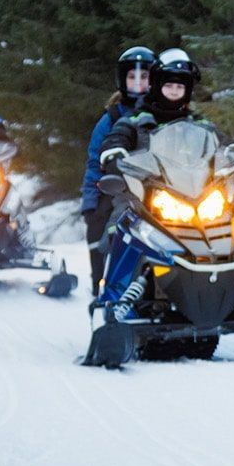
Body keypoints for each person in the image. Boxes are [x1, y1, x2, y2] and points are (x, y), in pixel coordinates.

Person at [82, 46, 155, 290]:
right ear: (123, 80)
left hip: (158, 186)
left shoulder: (161, 113)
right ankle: (102, 283)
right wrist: (90, 200)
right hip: (119, 187)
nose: (138, 82)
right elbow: (95, 161)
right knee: (100, 223)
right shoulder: (111, 118)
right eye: (132, 77)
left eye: (144, 76)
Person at [98, 48, 205, 168]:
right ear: (157, 86)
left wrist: (224, 153)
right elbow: (120, 133)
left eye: (180, 87)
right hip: (143, 177)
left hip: (188, 177)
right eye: (168, 86)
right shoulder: (138, 117)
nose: (174, 91)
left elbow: (215, 137)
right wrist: (114, 152)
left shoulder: (196, 121)